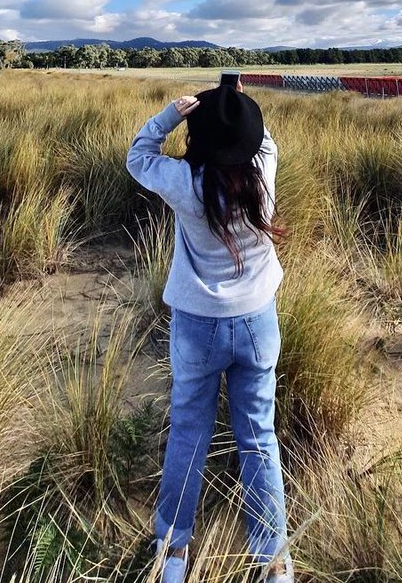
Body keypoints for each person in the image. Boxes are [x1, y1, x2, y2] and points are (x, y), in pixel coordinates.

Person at [127, 84, 293, 582]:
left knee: (189, 434)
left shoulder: (185, 181)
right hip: (258, 321)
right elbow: (265, 141)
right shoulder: (262, 170)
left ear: (199, 141)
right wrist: (235, 103)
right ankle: (272, 562)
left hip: (197, 327)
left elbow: (139, 156)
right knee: (258, 437)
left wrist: (169, 115)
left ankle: (173, 554)